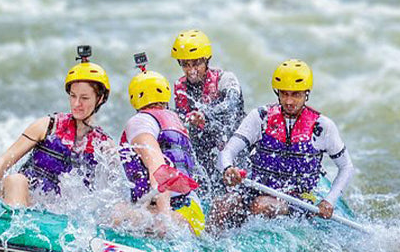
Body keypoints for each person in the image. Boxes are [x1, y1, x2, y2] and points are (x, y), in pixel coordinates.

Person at [214, 59, 353, 227]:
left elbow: (346, 167)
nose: (289, 101)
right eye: (284, 94)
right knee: (221, 206)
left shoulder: (322, 127)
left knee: (261, 205)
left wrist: (329, 200)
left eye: (296, 95)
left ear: (306, 94)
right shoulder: (261, 117)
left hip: (299, 200)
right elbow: (228, 152)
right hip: (258, 188)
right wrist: (228, 169)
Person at [0, 46, 111, 207]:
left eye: (84, 98)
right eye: (73, 96)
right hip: (22, 197)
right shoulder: (47, 126)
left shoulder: (105, 147)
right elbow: (4, 161)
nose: (76, 103)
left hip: (57, 213)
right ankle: (15, 219)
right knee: (16, 180)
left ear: (100, 99)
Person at [117, 56, 206, 236]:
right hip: (193, 214)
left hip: (172, 215)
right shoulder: (175, 121)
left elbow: (158, 168)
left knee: (113, 214)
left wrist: (164, 219)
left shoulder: (140, 122)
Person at [169, 29, 244, 190]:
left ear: (206, 59)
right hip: (204, 155)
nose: (191, 70)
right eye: (185, 64)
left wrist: (205, 114)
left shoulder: (226, 79)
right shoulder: (180, 87)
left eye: (196, 63)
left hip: (232, 149)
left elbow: (231, 105)